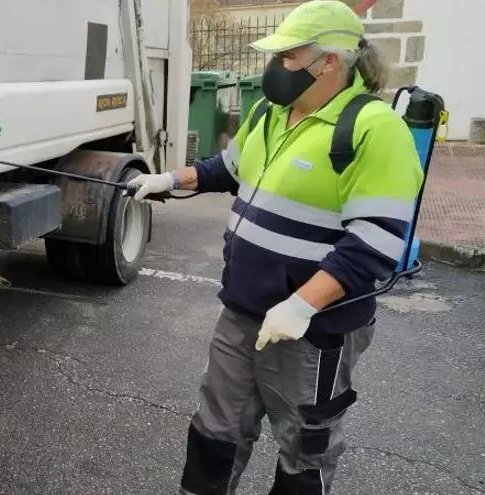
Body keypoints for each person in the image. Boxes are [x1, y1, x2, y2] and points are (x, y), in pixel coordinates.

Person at [127, 1, 424, 493]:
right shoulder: (270, 112)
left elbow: (375, 242)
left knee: (304, 451)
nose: (275, 67)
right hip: (242, 312)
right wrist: (169, 179)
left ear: (329, 62)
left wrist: (300, 306)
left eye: (288, 56)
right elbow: (228, 169)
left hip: (313, 329)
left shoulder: (375, 129)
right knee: (214, 433)